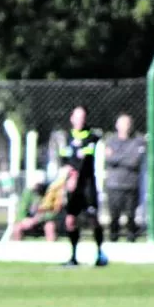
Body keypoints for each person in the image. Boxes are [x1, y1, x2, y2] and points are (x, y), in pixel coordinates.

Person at [60, 106, 106, 266]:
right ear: (71, 118)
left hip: (87, 185)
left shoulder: (93, 137)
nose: (80, 120)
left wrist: (75, 175)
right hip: (73, 188)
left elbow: (86, 162)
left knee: (93, 218)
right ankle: (73, 257)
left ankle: (100, 254)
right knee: (70, 220)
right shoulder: (66, 137)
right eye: (77, 117)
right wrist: (66, 178)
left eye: (83, 117)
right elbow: (65, 161)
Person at [104, 113, 146, 242]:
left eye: (127, 123)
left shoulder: (138, 140)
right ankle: (113, 238)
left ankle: (131, 239)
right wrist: (125, 157)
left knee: (131, 215)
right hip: (114, 184)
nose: (125, 127)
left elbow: (135, 161)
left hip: (131, 184)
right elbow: (109, 159)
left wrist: (117, 158)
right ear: (117, 125)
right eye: (122, 123)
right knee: (114, 216)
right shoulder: (111, 140)